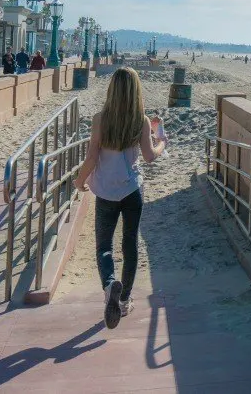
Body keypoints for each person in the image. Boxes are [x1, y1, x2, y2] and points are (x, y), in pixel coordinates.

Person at [73, 68, 166, 329]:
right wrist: (162, 141)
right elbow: (150, 156)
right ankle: (124, 300)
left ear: (112, 89)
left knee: (103, 245)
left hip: (105, 191)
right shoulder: (141, 120)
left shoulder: (100, 119)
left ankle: (109, 284)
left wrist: (80, 181)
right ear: (136, 90)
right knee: (130, 244)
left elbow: (91, 157)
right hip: (132, 191)